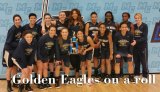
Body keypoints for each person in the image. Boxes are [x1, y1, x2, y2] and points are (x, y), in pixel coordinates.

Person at [2, 14, 22, 92]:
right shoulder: (12, 29)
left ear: (20, 20)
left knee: (14, 67)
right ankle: (8, 85)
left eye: (18, 19)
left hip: (15, 51)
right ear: (14, 21)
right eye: (16, 20)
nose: (17, 21)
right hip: (8, 51)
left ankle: (14, 82)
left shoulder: (20, 28)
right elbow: (8, 42)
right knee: (9, 68)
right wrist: (19, 44)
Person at [22, 13, 42, 80]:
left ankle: (37, 78)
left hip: (36, 48)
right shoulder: (25, 27)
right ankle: (25, 82)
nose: (33, 19)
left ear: (36, 19)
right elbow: (22, 38)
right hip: (27, 49)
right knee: (28, 66)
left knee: (36, 63)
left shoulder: (38, 27)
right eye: (31, 18)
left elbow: (40, 37)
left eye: (34, 18)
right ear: (29, 19)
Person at [68, 8, 85, 78]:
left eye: (76, 13)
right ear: (71, 15)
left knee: (78, 56)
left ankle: (77, 71)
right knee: (72, 57)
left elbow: (84, 33)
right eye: (73, 13)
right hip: (72, 41)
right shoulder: (69, 22)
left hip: (79, 42)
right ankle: (76, 69)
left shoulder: (81, 22)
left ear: (78, 14)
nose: (74, 14)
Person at [132, 13, 149, 78]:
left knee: (143, 61)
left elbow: (144, 37)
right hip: (135, 46)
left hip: (143, 46)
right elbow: (132, 36)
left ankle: (145, 75)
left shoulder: (145, 26)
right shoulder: (134, 26)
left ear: (141, 18)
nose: (137, 19)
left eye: (138, 18)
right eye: (136, 18)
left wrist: (136, 41)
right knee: (136, 60)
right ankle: (137, 74)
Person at [85, 12, 100, 77]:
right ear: (91, 17)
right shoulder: (88, 24)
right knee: (88, 58)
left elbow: (100, 34)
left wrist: (97, 40)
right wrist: (90, 41)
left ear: (97, 17)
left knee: (95, 57)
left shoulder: (99, 24)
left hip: (96, 43)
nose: (94, 18)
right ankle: (88, 72)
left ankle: (96, 71)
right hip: (89, 43)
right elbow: (86, 35)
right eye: (92, 17)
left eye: (95, 17)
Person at [104, 11, 119, 77]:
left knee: (113, 58)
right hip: (106, 43)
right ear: (105, 16)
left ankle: (113, 71)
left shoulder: (115, 24)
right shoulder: (103, 24)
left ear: (111, 16)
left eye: (109, 15)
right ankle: (107, 72)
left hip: (114, 43)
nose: (108, 17)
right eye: (107, 15)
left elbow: (118, 33)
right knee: (107, 59)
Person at [120, 12, 135, 77]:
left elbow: (132, 35)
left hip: (128, 46)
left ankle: (130, 75)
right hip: (121, 45)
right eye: (123, 16)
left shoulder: (131, 24)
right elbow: (119, 35)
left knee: (130, 61)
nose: (124, 17)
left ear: (128, 17)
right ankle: (121, 72)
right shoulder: (120, 24)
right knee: (120, 60)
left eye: (125, 16)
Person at [41, 13, 55, 78]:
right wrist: (43, 26)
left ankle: (52, 74)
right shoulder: (41, 27)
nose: (47, 19)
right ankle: (44, 77)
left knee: (51, 61)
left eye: (49, 18)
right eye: (46, 18)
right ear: (44, 19)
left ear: (51, 19)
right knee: (45, 64)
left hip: (51, 47)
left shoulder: (53, 26)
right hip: (44, 48)